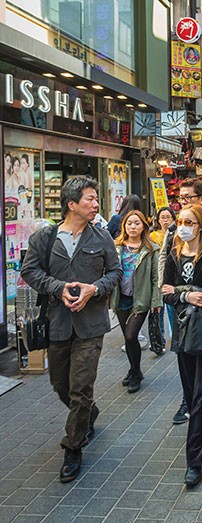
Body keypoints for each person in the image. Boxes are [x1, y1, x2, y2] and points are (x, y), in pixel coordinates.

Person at [21, 177, 122, 483]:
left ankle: (73, 447)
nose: (95, 204)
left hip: (91, 325)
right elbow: (30, 270)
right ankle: (87, 415)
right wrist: (58, 287)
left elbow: (116, 272)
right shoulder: (46, 238)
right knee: (60, 385)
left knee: (81, 388)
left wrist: (95, 288)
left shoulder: (101, 236)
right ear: (72, 204)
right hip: (58, 322)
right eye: (90, 199)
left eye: (95, 199)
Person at [162, 204, 202, 487]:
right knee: (190, 390)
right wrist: (186, 296)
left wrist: (180, 292)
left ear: (200, 225)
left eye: (189, 221)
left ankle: (195, 460)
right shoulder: (174, 253)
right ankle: (197, 444)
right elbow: (165, 293)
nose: (183, 226)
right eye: (180, 221)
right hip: (183, 330)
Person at [158, 178, 202, 425]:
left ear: (201, 199)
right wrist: (169, 291)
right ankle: (188, 399)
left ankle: (198, 401)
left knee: (200, 348)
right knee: (182, 350)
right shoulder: (174, 231)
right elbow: (166, 259)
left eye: (189, 197)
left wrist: (185, 292)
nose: (183, 202)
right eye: (181, 198)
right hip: (178, 304)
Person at [110, 211, 161, 393]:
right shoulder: (116, 246)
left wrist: (156, 301)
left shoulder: (151, 249)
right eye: (129, 223)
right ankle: (134, 371)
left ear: (143, 226)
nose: (133, 227)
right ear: (124, 226)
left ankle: (136, 372)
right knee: (127, 338)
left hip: (141, 298)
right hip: (121, 297)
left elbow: (156, 277)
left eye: (137, 223)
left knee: (132, 336)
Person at [151, 206, 177, 344]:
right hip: (160, 276)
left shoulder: (175, 233)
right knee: (159, 308)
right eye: (162, 217)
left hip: (172, 277)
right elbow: (160, 257)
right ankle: (160, 339)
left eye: (168, 217)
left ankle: (174, 337)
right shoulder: (153, 236)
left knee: (170, 307)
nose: (165, 220)